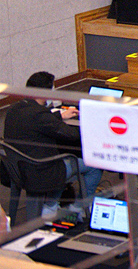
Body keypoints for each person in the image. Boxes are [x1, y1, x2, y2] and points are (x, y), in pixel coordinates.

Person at [2, 71, 103, 217]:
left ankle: (52, 205)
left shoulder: (14, 109)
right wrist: (91, 123)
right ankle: (75, 207)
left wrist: (58, 115)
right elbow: (71, 134)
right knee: (94, 166)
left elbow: (39, 123)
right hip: (41, 171)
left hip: (17, 170)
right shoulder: (40, 115)